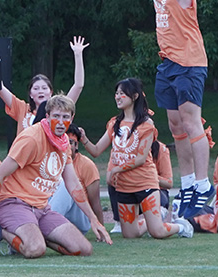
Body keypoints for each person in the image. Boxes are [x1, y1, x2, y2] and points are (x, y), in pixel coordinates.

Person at [109, 0, 213, 220]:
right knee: (176, 125)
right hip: (167, 64)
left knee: (192, 122)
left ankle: (204, 185)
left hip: (189, 62)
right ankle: (189, 184)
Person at [0, 95, 112, 259]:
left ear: (72, 118)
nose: (61, 122)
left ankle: (35, 235)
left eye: (65, 117)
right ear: (47, 116)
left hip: (42, 208)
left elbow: (73, 184)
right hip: (13, 203)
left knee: (83, 249)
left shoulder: (64, 143)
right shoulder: (31, 138)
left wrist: (93, 219)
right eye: (56, 116)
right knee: (35, 249)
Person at [83, 78, 193, 240]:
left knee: (158, 233)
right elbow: (97, 150)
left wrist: (115, 169)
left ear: (134, 96)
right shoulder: (115, 123)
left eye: (122, 94)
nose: (118, 97)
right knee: (130, 234)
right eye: (117, 93)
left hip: (145, 184)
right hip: (124, 187)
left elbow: (140, 158)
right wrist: (83, 138)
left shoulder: (146, 124)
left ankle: (181, 226)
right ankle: (153, 221)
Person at [0, 37, 88, 140]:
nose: (40, 91)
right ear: (30, 93)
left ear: (51, 92)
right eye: (36, 88)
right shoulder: (22, 108)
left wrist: (78, 55)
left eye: (44, 88)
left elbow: (78, 85)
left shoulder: (59, 109)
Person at [47, 124, 108, 237]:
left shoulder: (87, 165)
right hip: (56, 212)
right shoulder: (51, 160)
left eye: (70, 142)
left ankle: (46, 225)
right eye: (62, 140)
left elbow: (95, 203)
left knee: (69, 184)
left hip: (79, 217)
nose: (66, 145)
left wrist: (101, 230)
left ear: (76, 145)